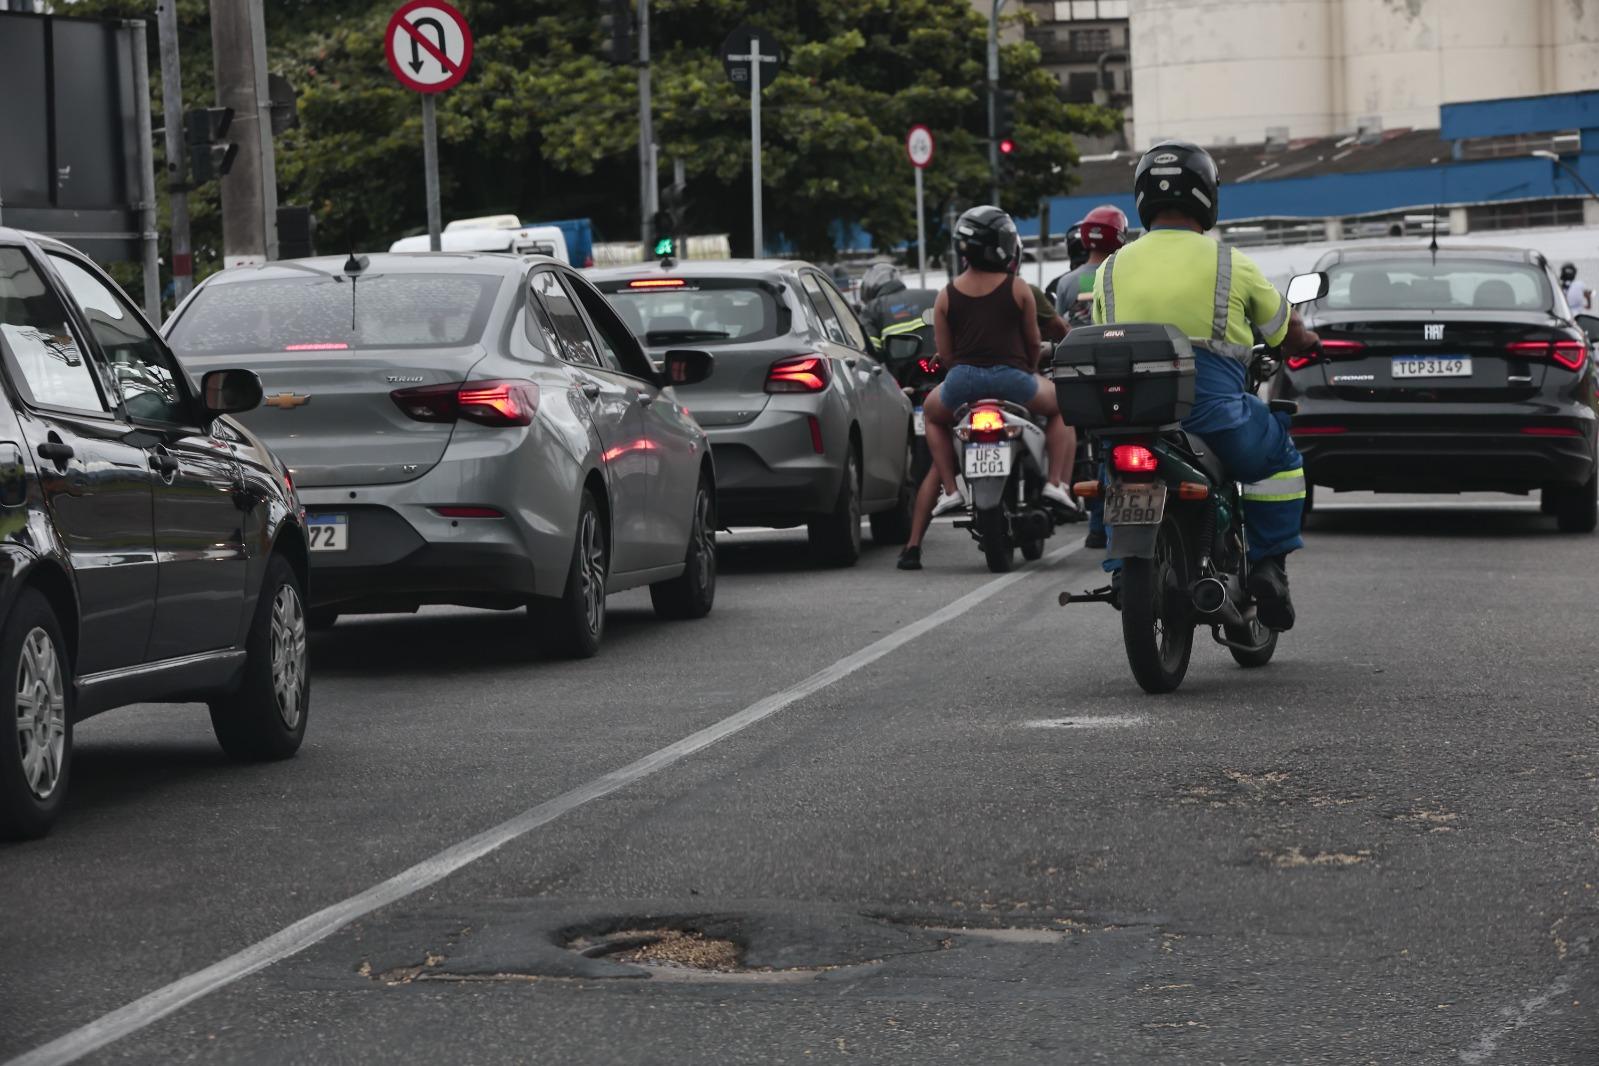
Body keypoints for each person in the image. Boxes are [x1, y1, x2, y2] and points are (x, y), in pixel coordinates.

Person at [1091, 141, 1320, 630]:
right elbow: (1285, 331)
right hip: (1213, 414)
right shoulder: (1230, 264)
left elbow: (1096, 333)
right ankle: (1268, 564)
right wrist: (1308, 339)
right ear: (1206, 198)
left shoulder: (1109, 269)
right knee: (1280, 454)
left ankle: (1121, 571)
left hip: (1130, 418)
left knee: (1114, 466)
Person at [897, 205, 1078, 570]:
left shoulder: (946, 294)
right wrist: (1028, 370)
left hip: (962, 384)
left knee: (932, 417)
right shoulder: (1019, 290)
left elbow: (946, 355)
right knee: (1066, 407)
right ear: (1005, 245)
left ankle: (951, 489)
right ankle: (1057, 483)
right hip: (1013, 381)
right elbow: (1031, 343)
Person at [1053, 205, 1128, 548]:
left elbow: (1058, 332)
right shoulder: (1123, 275)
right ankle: (1107, 523)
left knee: (1098, 448)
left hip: (1077, 376)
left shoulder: (1067, 282)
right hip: (1117, 372)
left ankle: (1096, 523)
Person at [858, 263, 939, 343]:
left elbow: (869, 349)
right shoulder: (934, 295)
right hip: (941, 355)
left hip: (901, 356)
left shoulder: (872, 309)